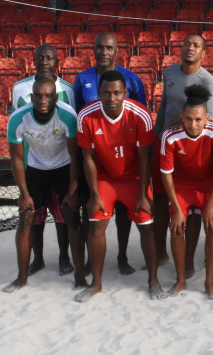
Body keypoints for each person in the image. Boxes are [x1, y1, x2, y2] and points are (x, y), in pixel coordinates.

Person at [75, 70, 166, 302]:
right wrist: (94, 194)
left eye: (117, 92)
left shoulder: (141, 115)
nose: (111, 97)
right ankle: (96, 283)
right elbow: (88, 158)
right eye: (106, 92)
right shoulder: (86, 115)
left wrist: (144, 194)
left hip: (134, 177)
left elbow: (145, 158)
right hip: (105, 177)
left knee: (146, 224)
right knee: (96, 225)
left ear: (125, 92)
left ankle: (153, 280)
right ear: (99, 93)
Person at [74, 31, 146, 275]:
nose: (103, 52)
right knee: (91, 210)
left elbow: (139, 118)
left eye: (108, 47)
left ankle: (122, 257)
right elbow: (78, 116)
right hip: (94, 156)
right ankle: (90, 261)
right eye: (99, 47)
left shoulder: (132, 79)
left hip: (126, 161)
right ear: (93, 50)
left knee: (124, 214)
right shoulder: (82, 78)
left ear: (117, 51)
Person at [3, 77, 84, 292]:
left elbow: (76, 156)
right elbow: (17, 159)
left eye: (48, 95)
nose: (43, 100)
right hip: (36, 168)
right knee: (26, 216)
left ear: (55, 97)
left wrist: (73, 191)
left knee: (72, 217)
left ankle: (79, 276)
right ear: (31, 97)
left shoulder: (67, 115)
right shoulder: (18, 119)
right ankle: (21, 278)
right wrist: (23, 193)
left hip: (63, 167)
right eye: (38, 95)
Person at [153, 33, 213, 275]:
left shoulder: (208, 82)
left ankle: (188, 260)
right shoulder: (169, 73)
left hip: (189, 152)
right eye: (187, 44)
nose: (190, 48)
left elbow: (207, 124)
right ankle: (161, 252)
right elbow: (163, 106)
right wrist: (158, 135)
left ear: (204, 53)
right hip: (165, 147)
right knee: (161, 200)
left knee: (190, 210)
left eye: (196, 45)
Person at [11, 44, 76, 277]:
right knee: (34, 215)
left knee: (62, 214)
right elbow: (18, 128)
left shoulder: (68, 89)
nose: (44, 61)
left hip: (61, 163)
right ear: (33, 59)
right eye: (40, 57)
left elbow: (70, 127)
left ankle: (63, 257)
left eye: (49, 58)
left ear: (57, 62)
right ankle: (37, 259)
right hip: (33, 163)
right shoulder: (19, 88)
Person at [159, 85, 213, 299]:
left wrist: (210, 205)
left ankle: (209, 282)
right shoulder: (170, 135)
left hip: (208, 185)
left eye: (198, 119)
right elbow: (166, 174)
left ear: (207, 118)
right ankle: (181, 280)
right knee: (177, 227)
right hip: (181, 185)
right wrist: (177, 208)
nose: (193, 124)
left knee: (212, 226)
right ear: (182, 116)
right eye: (188, 119)